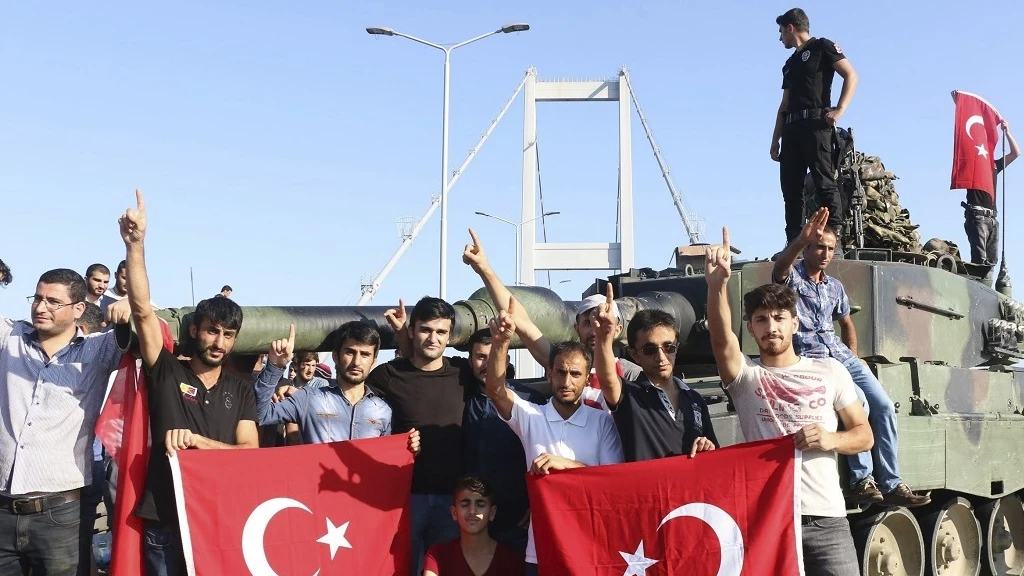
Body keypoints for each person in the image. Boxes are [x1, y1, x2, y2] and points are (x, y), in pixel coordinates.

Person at [706, 226, 872, 575]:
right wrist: (717, 286)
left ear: (795, 323)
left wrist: (829, 439)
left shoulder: (831, 371)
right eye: (761, 320)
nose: (772, 327)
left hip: (827, 519)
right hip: (769, 519)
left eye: (780, 318)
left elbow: (864, 435)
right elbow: (722, 342)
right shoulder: (746, 378)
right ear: (750, 329)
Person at [120, 190, 259, 576]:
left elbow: (250, 452)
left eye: (229, 335)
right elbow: (143, 311)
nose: (219, 342)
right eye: (212, 331)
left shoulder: (241, 390)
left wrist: (200, 444)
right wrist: (136, 245)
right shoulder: (166, 372)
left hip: (220, 515)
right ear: (194, 330)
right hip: (165, 514)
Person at [773, 208, 931, 507]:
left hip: (842, 358)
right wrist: (799, 239)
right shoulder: (793, 280)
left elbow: (846, 323)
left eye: (830, 248)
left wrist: (855, 359)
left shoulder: (834, 287)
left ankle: (892, 482)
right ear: (807, 248)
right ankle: (862, 480)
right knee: (858, 405)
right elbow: (780, 267)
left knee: (883, 405)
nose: (825, 253)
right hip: (815, 360)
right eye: (819, 246)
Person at [0, 268, 130, 575]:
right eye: (38, 298)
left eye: (53, 301)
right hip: (2, 511)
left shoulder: (99, 350)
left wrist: (134, 301)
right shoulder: (9, 337)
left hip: (61, 516)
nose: (40, 307)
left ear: (78, 309)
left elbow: (148, 331)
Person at [486, 298, 623, 576]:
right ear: (549, 373)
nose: (566, 381)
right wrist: (500, 343)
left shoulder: (602, 422)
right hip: (540, 550)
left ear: (587, 380)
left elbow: (613, 482)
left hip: (591, 548)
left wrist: (566, 466)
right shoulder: (531, 417)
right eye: (560, 372)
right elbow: (496, 391)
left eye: (575, 374)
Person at [366, 296, 474, 576]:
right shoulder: (386, 376)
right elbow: (351, 399)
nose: (433, 338)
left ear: (450, 336)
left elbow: (498, 383)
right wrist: (290, 389)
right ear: (412, 330)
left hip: (453, 499)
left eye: (441, 332)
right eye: (426, 330)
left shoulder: (463, 373)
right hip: (404, 499)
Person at [461, 229, 642, 394]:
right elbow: (519, 319)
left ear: (617, 329)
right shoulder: (561, 364)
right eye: (588, 322)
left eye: (602, 323)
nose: (596, 329)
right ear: (576, 328)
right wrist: (484, 269)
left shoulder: (631, 374)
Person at [592, 284, 718, 462]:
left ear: (677, 348)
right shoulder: (629, 397)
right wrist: (604, 338)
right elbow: (607, 379)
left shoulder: (695, 400)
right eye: (650, 349)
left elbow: (715, 456)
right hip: (647, 490)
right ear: (634, 355)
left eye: (669, 347)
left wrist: (708, 447)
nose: (661, 356)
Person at [253, 321, 420, 454]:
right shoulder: (309, 398)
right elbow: (261, 415)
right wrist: (275, 367)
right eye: (350, 352)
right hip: (316, 493)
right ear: (335, 356)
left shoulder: (384, 410)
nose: (357, 362)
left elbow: (389, 457)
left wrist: (408, 448)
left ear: (374, 361)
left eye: (365, 354)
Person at [770, 8, 858, 247]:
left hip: (817, 126)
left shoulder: (822, 47)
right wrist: (775, 139)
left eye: (781, 32)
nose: (780, 38)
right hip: (791, 130)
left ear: (791, 28)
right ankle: (794, 243)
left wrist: (839, 109)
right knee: (791, 190)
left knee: (824, 183)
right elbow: (784, 104)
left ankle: (834, 240)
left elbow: (851, 75)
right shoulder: (789, 64)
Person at [460, 329, 542, 554]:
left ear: (505, 359)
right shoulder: (459, 394)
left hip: (517, 518)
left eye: (494, 354)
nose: (487, 363)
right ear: (470, 361)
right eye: (480, 357)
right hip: (472, 517)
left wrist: (537, 503)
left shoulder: (530, 401)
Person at [423, 475, 525, 576]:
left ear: (492, 513)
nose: (472, 511)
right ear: (454, 512)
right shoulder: (438, 554)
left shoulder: (511, 559)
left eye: (480, 505)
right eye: (465, 504)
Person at [962, 119, 1020, 267]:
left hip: (992, 218)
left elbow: (1015, 153)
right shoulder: (973, 163)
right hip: (977, 215)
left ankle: (986, 287)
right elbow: (965, 141)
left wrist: (1007, 133)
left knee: (991, 262)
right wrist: (961, 108)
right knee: (980, 262)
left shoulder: (994, 165)